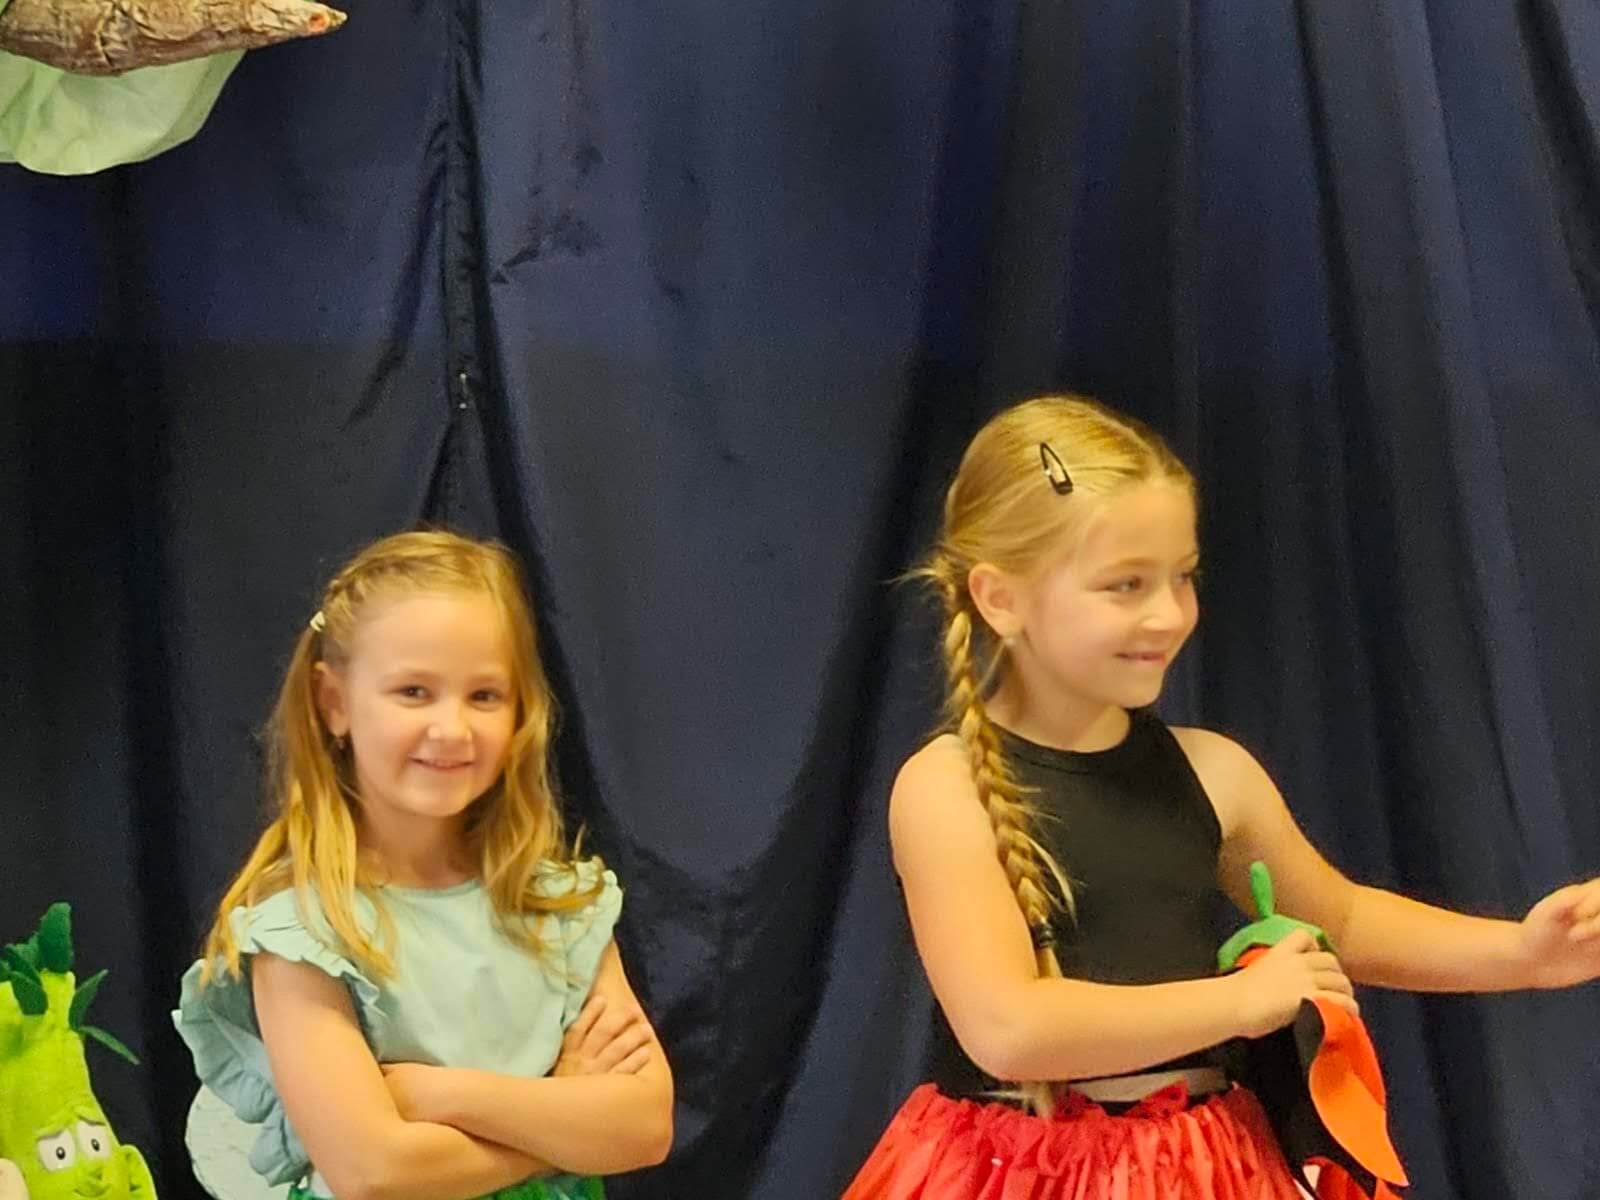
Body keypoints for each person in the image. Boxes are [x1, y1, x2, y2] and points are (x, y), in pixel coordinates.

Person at [844, 395, 1600, 1198]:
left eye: (1183, 577)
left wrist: (1524, 956)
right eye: (1125, 585)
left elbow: (1342, 920)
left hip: (1203, 1167)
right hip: (1011, 1174)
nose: (1168, 614)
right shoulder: (946, 788)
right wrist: (1240, 1002)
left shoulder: (1215, 771)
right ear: (1001, 599)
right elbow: (1008, 1029)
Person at [174, 530, 672, 1200]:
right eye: (414, 691)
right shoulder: (303, 935)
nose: (452, 729)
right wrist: (562, 1112)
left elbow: (644, 1127)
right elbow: (375, 1174)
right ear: (334, 703)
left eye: (484, 696)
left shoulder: (559, 907)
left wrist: (438, 1094)